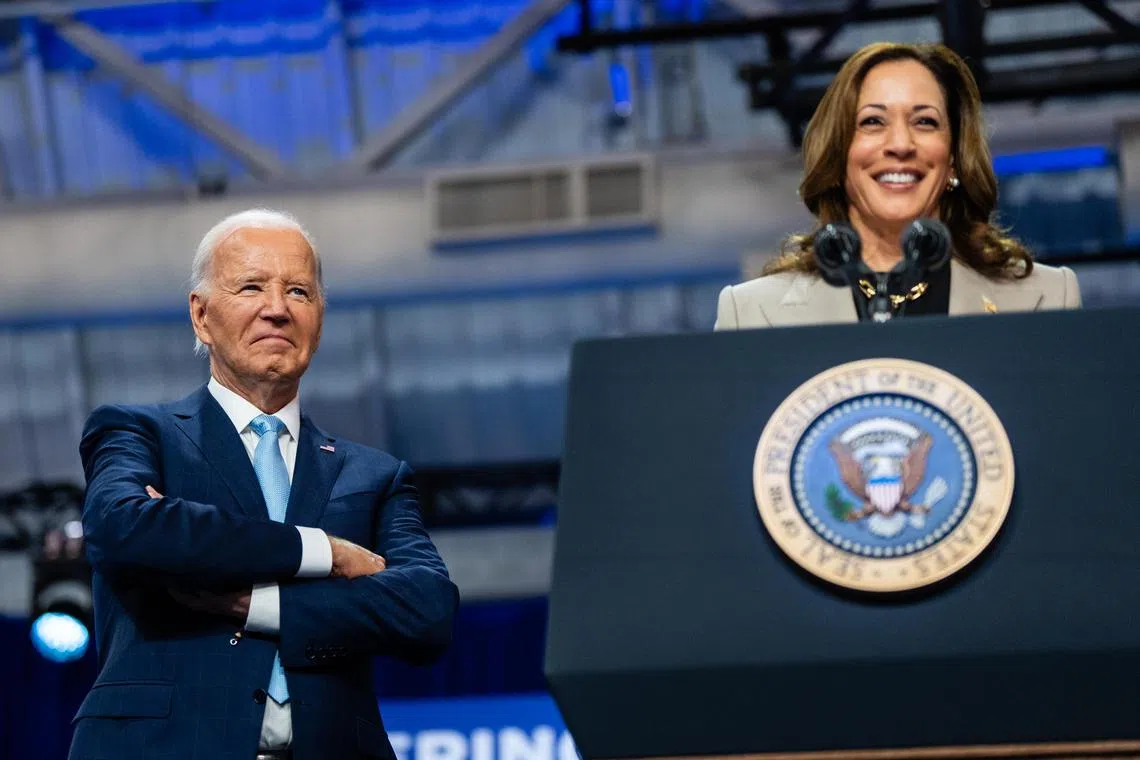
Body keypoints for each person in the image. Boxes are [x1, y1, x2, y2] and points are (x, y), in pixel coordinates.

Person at [70, 209, 458, 760]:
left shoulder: (374, 475)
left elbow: (427, 610)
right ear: (201, 316)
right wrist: (323, 551)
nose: (276, 309)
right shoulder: (138, 432)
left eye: (298, 291)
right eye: (251, 286)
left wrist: (255, 603)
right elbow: (125, 528)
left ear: (318, 320)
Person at [715, 42, 1081, 330]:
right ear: (840, 155)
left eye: (924, 122)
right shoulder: (753, 313)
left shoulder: (1045, 299)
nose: (901, 144)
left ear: (953, 157)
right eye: (873, 121)